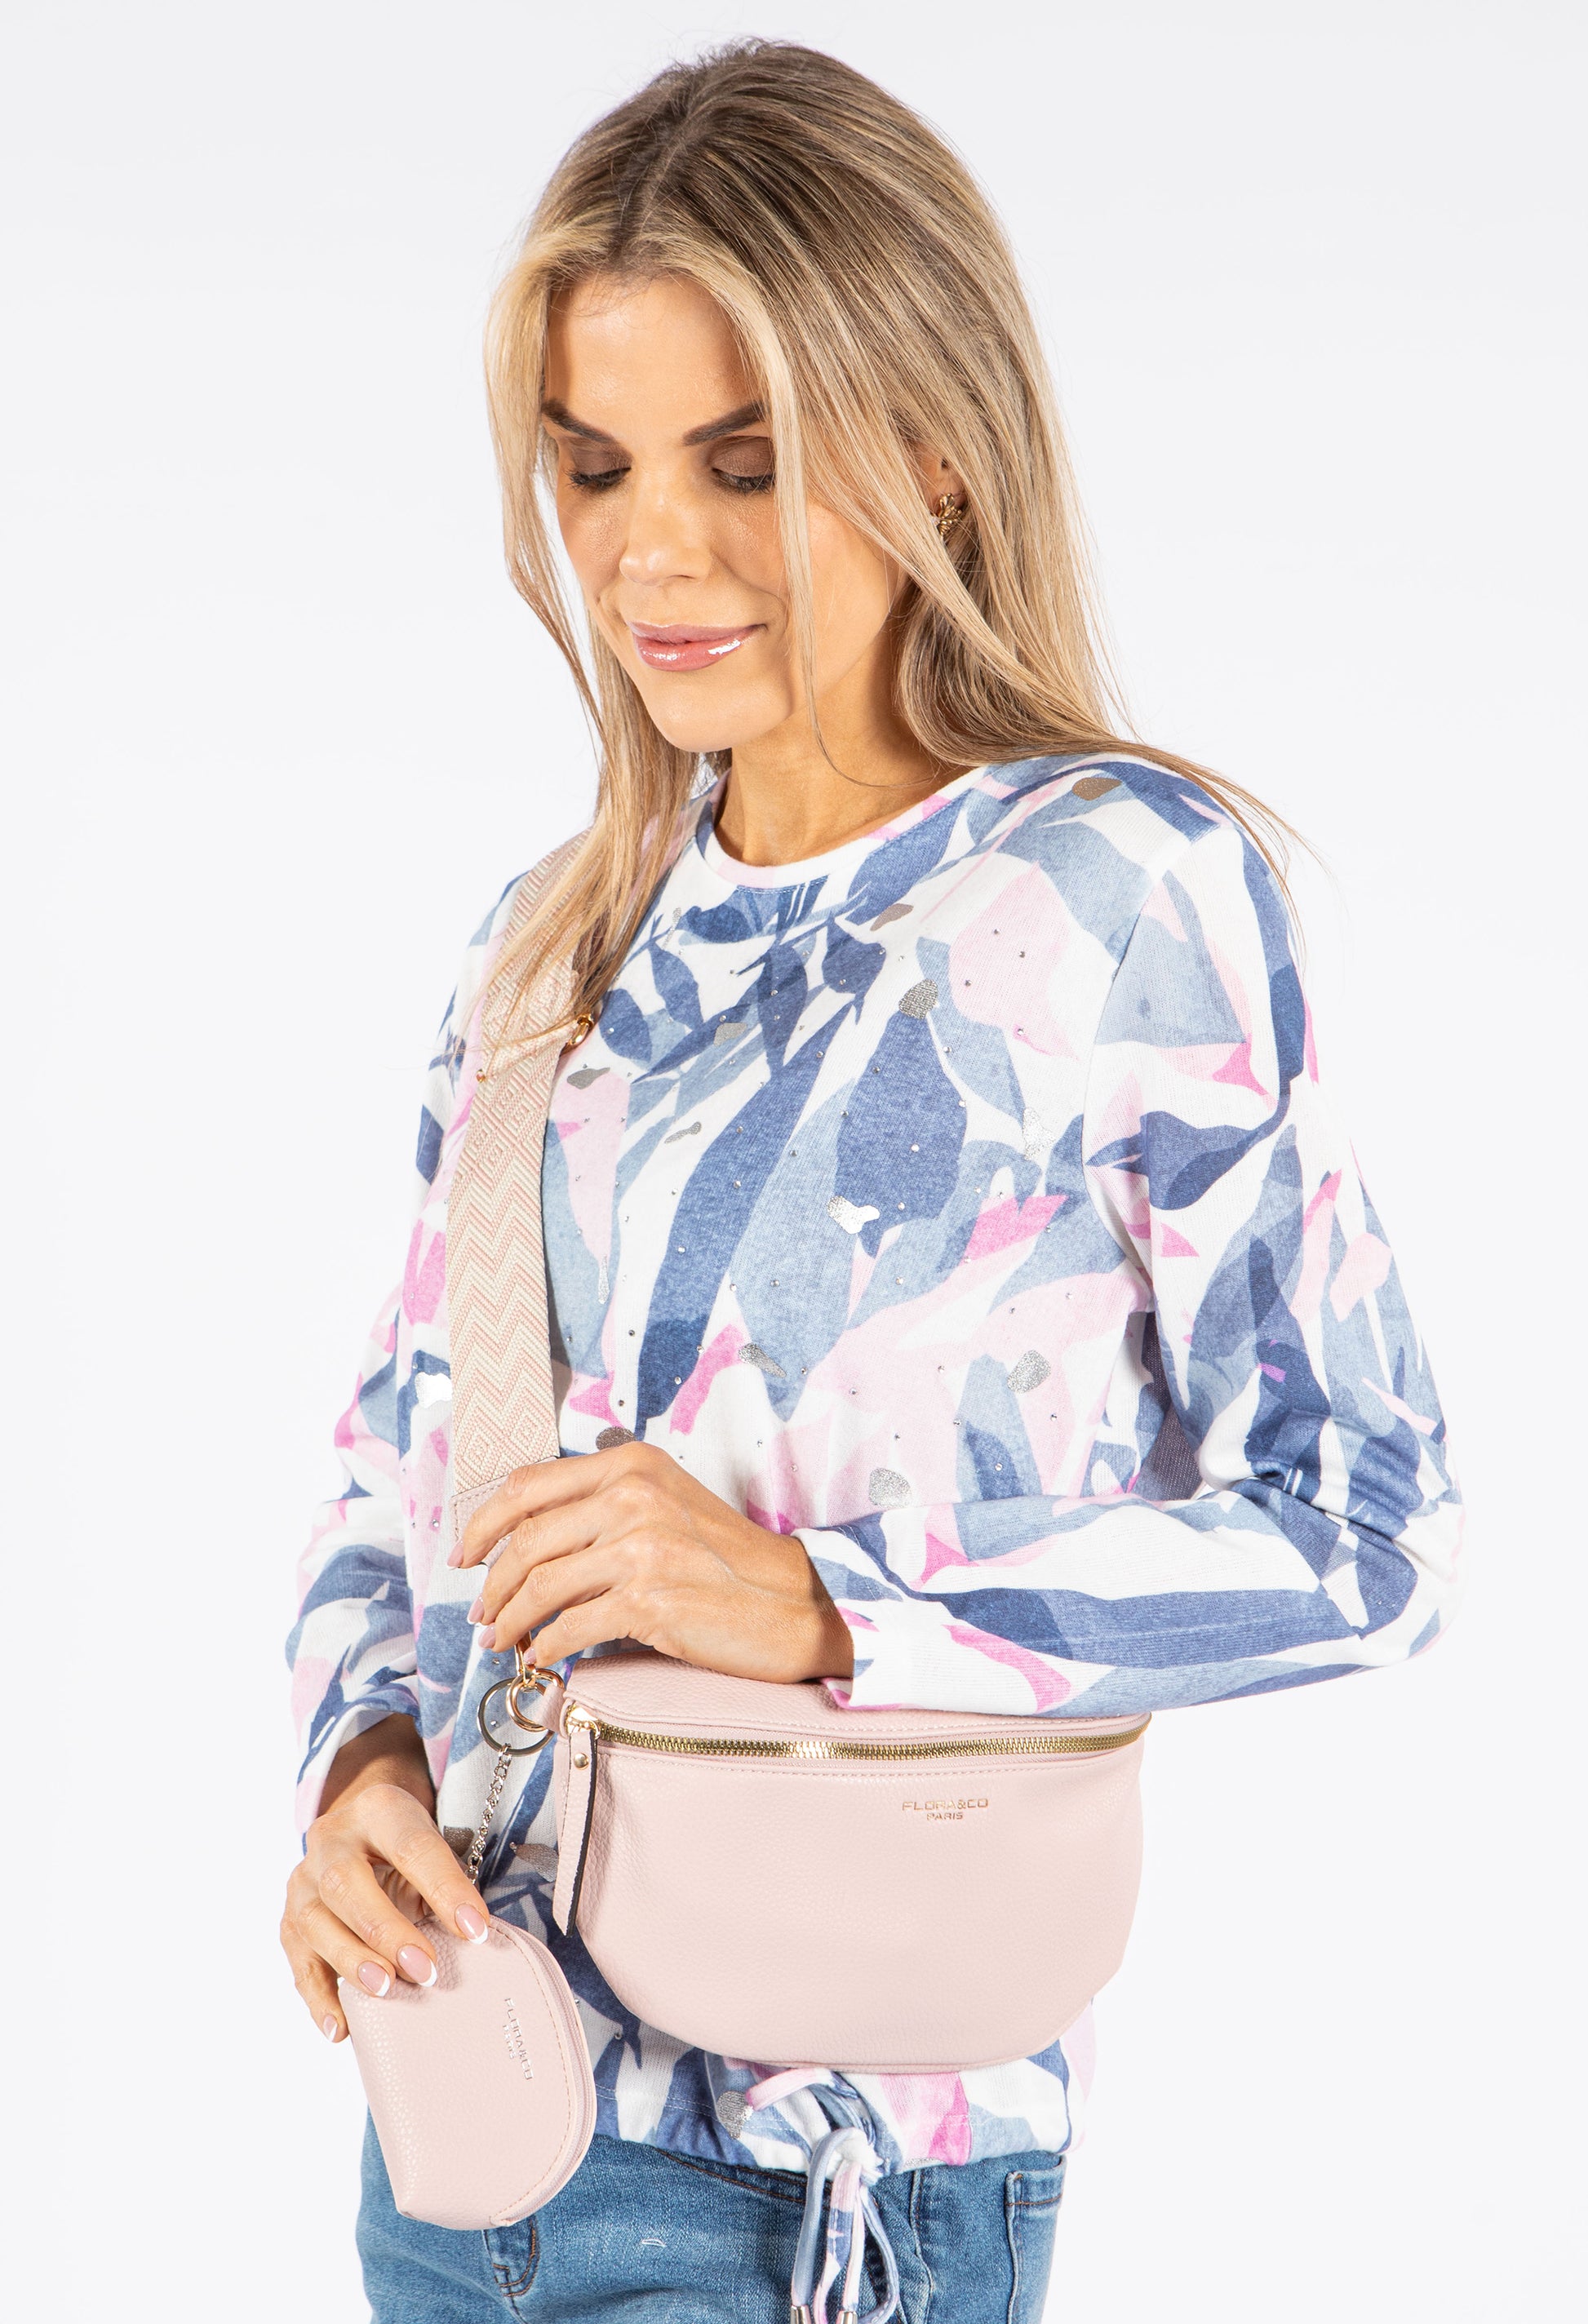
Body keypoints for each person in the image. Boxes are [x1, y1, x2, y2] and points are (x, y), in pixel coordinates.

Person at [282, 40, 1462, 2324]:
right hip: (457, 2148)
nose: (651, 549)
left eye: (746, 460)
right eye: (592, 464)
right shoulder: (551, 944)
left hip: (827, 2198)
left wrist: (823, 1605)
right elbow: (391, 1473)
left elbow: (1368, 1524)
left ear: (929, 440)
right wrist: (362, 1775)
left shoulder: (1117, 890)